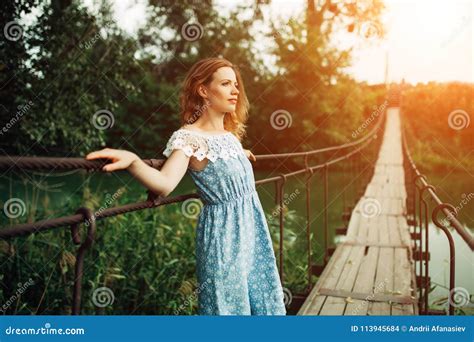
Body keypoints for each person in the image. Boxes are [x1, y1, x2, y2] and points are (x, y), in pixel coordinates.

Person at [85, 57, 286, 315]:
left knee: (262, 302)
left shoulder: (230, 136)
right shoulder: (189, 138)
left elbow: (223, 163)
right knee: (229, 310)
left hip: (253, 231)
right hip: (224, 238)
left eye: (236, 85)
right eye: (226, 84)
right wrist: (134, 162)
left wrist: (238, 155)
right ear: (203, 90)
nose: (235, 91)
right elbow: (166, 183)